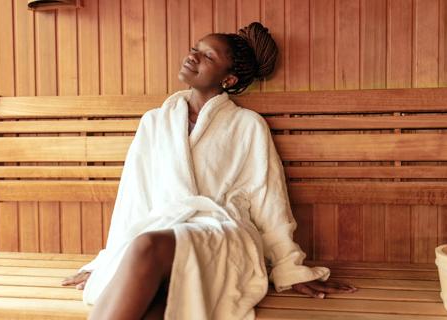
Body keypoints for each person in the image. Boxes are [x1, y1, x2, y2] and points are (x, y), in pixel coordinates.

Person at [62, 22, 356, 320]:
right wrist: (109, 261)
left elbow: (268, 199)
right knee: (156, 308)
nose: (193, 57)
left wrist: (289, 266)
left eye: (208, 56)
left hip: (222, 234)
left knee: (147, 245)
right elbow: (133, 198)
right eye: (195, 49)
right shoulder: (155, 122)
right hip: (165, 233)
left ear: (228, 79)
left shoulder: (247, 125)